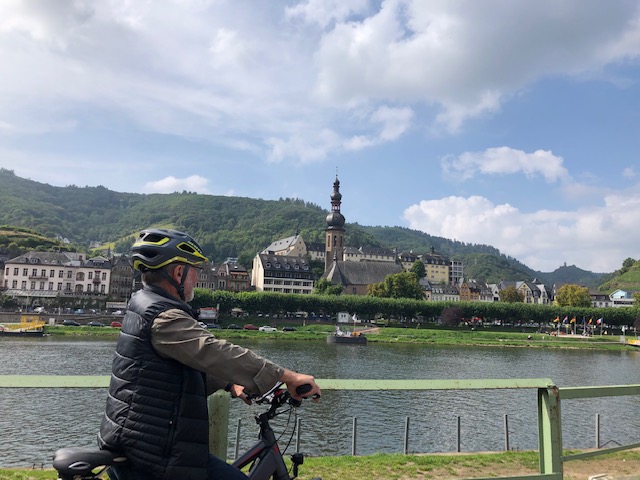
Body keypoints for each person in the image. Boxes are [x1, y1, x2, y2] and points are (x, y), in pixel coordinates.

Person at [98, 229, 321, 480]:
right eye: (196, 270)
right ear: (178, 273)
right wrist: (286, 376)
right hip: (155, 454)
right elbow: (214, 351)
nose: (196, 277)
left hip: (143, 442)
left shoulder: (144, 305)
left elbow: (173, 371)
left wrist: (229, 384)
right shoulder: (164, 317)